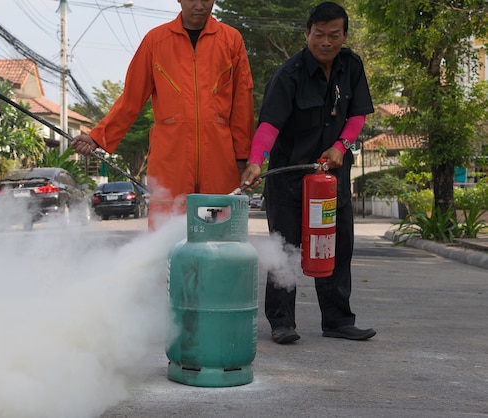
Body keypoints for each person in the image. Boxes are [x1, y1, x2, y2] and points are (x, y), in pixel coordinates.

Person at [240, 2, 376, 344]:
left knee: (337, 246)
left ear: (344, 36)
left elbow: (357, 115)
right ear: (307, 34)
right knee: (283, 250)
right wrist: (256, 161)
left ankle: (338, 320)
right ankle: (282, 322)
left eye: (334, 35)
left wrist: (341, 146)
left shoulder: (352, 66)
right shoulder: (289, 74)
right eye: (319, 35)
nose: (326, 42)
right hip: (289, 180)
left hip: (331, 181)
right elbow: (269, 125)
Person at [71, 0, 254, 230]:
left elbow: (242, 105)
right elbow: (130, 98)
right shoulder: (155, 41)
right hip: (170, 166)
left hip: (220, 164)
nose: (199, 5)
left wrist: (243, 160)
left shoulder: (231, 40)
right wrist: (98, 137)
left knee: (216, 239)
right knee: (167, 244)